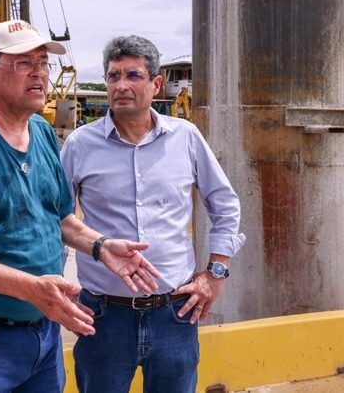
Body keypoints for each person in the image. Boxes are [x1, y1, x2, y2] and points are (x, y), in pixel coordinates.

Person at [0, 20, 162, 393]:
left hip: (44, 336)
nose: (39, 74)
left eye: (43, 63)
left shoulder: (44, 132)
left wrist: (101, 245)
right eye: (23, 63)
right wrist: (30, 288)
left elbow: (60, 217)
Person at [60, 35, 246, 393]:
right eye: (113, 76)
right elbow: (57, 220)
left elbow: (224, 204)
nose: (121, 85)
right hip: (102, 316)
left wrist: (216, 273)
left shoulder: (186, 138)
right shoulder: (80, 145)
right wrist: (59, 289)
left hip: (175, 313)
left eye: (133, 75)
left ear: (155, 83)